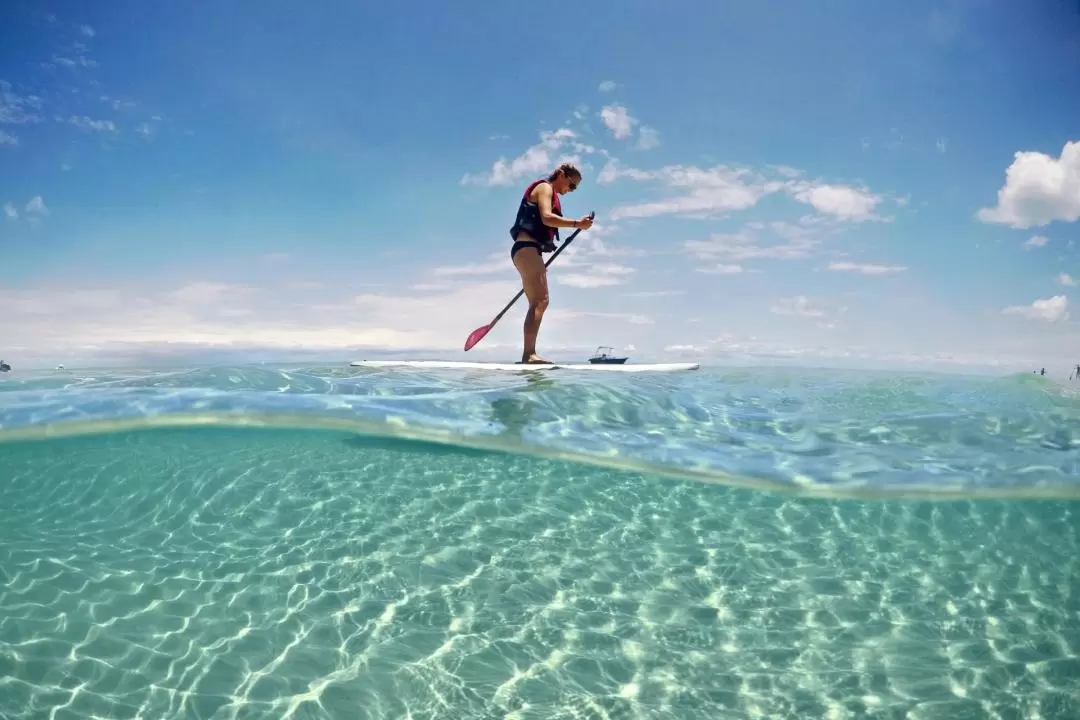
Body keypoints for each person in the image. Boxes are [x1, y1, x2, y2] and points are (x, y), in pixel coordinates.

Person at [508, 162, 594, 363]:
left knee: (538, 301)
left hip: (527, 250)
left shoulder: (547, 189)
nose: (570, 191)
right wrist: (576, 224)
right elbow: (547, 218)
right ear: (562, 175)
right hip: (526, 249)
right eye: (571, 186)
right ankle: (529, 354)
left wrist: (578, 224)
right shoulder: (545, 187)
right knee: (540, 300)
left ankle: (529, 353)